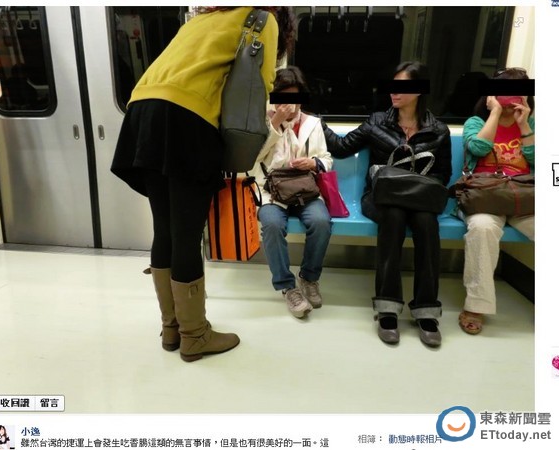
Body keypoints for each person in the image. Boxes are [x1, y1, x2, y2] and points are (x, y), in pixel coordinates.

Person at [111, 7, 296, 362]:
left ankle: (172, 328)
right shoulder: (262, 18)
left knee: (164, 229)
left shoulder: (201, 19)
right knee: (186, 234)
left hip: (142, 110)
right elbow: (259, 85)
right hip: (186, 119)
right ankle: (194, 336)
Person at [322, 61, 451, 346]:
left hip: (418, 199)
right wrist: (313, 120)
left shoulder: (438, 130)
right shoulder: (377, 121)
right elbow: (341, 148)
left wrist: (417, 185)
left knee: (426, 222)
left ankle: (427, 311)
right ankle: (388, 308)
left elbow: (443, 173)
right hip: (380, 197)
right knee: (393, 215)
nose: (394, 92)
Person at [251, 66, 333, 319]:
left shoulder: (312, 124)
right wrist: (275, 124)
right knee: (272, 225)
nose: (287, 103)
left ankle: (308, 278)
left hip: (304, 188)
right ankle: (287, 287)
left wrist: (313, 163)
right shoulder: (261, 122)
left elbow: (326, 158)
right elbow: (253, 158)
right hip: (271, 191)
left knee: (321, 222)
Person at [458, 67, 535, 335]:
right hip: (486, 196)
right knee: (482, 228)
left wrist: (524, 125)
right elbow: (478, 148)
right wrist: (494, 114)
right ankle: (476, 306)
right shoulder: (475, 122)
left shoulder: (534, 124)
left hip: (525, 198)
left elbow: (539, 160)